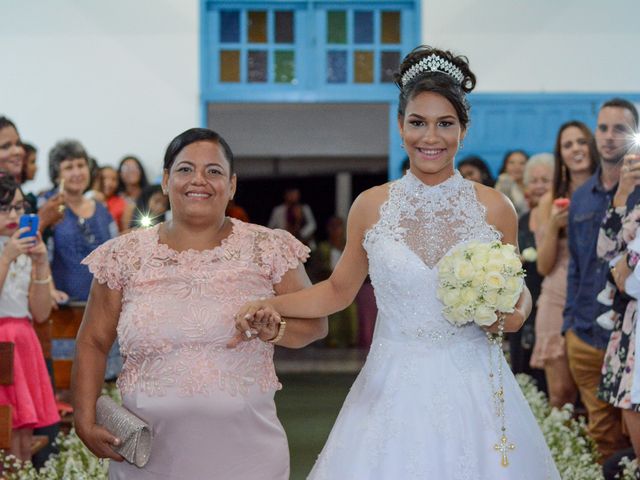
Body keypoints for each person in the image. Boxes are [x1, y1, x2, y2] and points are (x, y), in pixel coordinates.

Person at [235, 45, 560, 478]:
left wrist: (516, 314)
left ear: (463, 129)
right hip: (392, 385)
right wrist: (271, 304)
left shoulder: (495, 207)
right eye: (418, 123)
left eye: (445, 124)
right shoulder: (370, 206)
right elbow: (337, 291)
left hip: (474, 384)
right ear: (399, 126)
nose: (431, 137)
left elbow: (518, 288)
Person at [71, 128, 327, 479]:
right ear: (165, 180)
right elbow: (92, 342)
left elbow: (316, 324)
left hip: (246, 455)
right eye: (186, 169)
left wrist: (275, 329)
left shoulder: (268, 248)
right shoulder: (123, 255)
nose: (199, 180)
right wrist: (84, 418)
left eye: (214, 171)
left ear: (232, 184)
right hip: (149, 457)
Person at [563, 98, 640, 461]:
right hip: (585, 333)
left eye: (620, 129)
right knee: (602, 436)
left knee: (633, 430)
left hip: (630, 335)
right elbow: (578, 265)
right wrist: (569, 326)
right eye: (603, 128)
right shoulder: (581, 197)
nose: (609, 137)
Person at [529, 122, 598, 409]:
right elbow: (543, 267)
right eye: (567, 145)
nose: (576, 149)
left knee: (598, 395)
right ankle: (565, 454)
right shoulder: (550, 201)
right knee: (561, 394)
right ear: (561, 155)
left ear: (592, 146)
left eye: (581, 142)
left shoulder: (610, 191)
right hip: (557, 294)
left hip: (597, 295)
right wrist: (555, 227)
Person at [0, 173, 59, 462]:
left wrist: (40, 263)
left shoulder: (23, 249)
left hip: (22, 339)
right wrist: (6, 257)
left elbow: (40, 312)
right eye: (4, 208)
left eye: (20, 207)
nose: (14, 215)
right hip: (1, 342)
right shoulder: (10, 251)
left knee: (22, 433)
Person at [594, 105, 640, 460]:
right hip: (630, 324)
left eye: (620, 129)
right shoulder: (630, 193)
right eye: (604, 127)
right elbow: (606, 253)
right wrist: (624, 192)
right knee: (629, 418)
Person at [509, 153, 553, 390]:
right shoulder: (521, 220)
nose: (539, 186)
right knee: (523, 374)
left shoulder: (562, 218)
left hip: (552, 303)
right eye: (534, 181)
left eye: (545, 180)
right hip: (524, 302)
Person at [308, 216, 358, 348]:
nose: (335, 230)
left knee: (350, 313)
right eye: (332, 227)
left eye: (338, 226)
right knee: (331, 314)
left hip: (347, 287)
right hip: (328, 286)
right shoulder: (323, 248)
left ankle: (351, 341)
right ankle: (331, 340)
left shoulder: (348, 247)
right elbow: (316, 268)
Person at [117, 155, 149, 228]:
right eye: (126, 168)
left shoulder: (150, 195)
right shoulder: (116, 198)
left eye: (135, 167)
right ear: (120, 173)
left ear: (141, 171)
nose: (131, 171)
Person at [495, 149, 529, 216]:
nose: (517, 167)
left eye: (522, 163)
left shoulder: (533, 185)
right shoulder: (503, 182)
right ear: (505, 166)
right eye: (512, 162)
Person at [97, 166, 130, 232]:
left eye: (114, 179)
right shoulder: (89, 198)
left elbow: (125, 233)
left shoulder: (123, 204)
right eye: (104, 178)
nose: (109, 183)